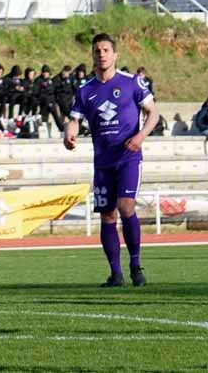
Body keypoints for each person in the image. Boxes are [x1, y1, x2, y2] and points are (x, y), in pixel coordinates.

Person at [64, 33, 159, 288]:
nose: (102, 54)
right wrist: (69, 135)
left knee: (126, 206)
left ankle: (136, 265)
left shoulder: (132, 83)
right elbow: (74, 120)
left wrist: (140, 136)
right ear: (92, 55)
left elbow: (153, 113)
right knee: (107, 215)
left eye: (106, 50)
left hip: (128, 157)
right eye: (97, 51)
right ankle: (115, 273)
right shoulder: (86, 90)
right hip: (103, 162)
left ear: (115, 55)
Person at [35, 64, 64, 135]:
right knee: (44, 116)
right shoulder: (38, 80)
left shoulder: (50, 80)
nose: (45, 74)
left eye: (47, 72)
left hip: (51, 101)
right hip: (44, 102)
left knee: (56, 116)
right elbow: (37, 92)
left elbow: (53, 90)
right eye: (44, 72)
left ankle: (62, 129)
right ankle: (43, 131)